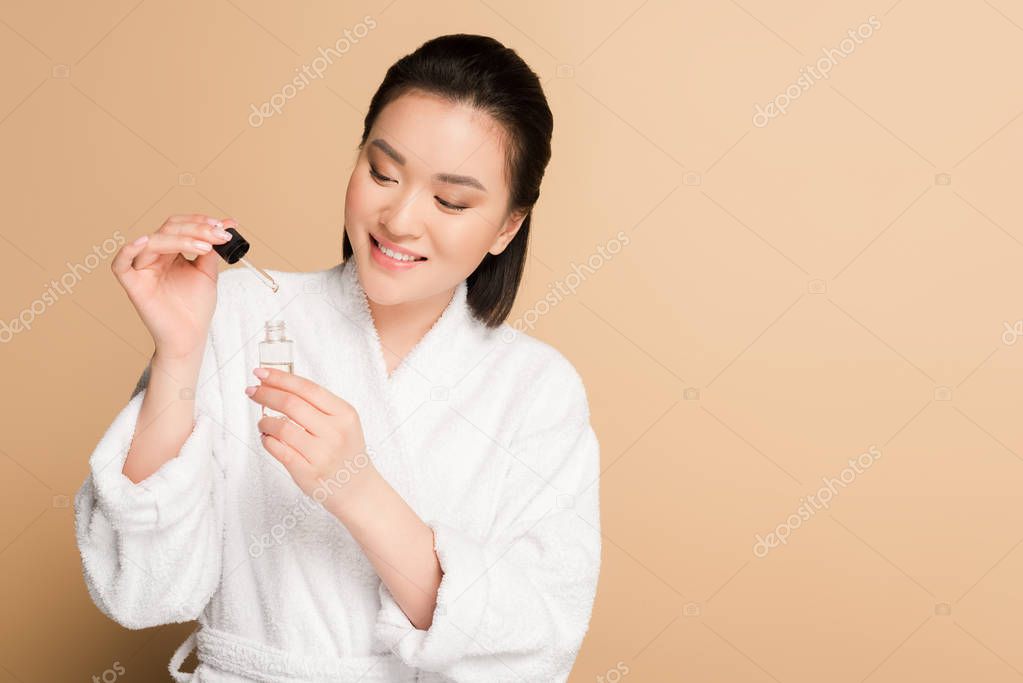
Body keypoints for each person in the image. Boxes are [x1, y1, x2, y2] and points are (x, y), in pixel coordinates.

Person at [74, 33, 601, 682]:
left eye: (449, 200)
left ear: (506, 227)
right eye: (382, 172)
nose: (400, 218)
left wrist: (357, 489)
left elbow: (536, 643)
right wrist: (179, 355)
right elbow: (144, 589)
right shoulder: (233, 311)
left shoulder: (538, 390)